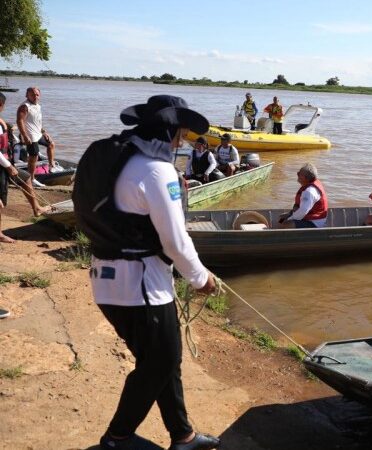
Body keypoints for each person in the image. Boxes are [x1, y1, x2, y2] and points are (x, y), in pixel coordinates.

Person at [72, 95, 220, 450]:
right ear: (170, 129)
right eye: (180, 133)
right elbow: (175, 242)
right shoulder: (157, 170)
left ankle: (182, 435)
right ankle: (118, 436)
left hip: (108, 281)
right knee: (162, 361)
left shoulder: (120, 157)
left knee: (161, 360)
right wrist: (201, 278)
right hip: (141, 287)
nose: (181, 141)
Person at [1, 93, 46, 236]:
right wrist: (8, 166)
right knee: (1, 200)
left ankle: (37, 208)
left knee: (26, 178)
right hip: (2, 165)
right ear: (1, 105)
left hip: (5, 163)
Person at [16, 87, 56, 176]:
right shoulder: (25, 106)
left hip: (38, 133)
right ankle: (31, 178)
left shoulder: (38, 106)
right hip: (30, 135)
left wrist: (44, 132)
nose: (35, 96)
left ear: (39, 96)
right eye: (32, 94)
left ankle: (51, 165)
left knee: (51, 144)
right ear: (27, 95)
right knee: (33, 156)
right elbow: (19, 121)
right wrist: (25, 136)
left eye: (37, 95)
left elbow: (37, 122)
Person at [277, 163, 327, 228]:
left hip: (314, 222)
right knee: (281, 218)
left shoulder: (309, 191)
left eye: (299, 174)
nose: (297, 174)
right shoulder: (308, 187)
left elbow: (302, 212)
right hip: (309, 218)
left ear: (306, 178)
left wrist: (290, 218)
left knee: (286, 224)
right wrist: (290, 214)